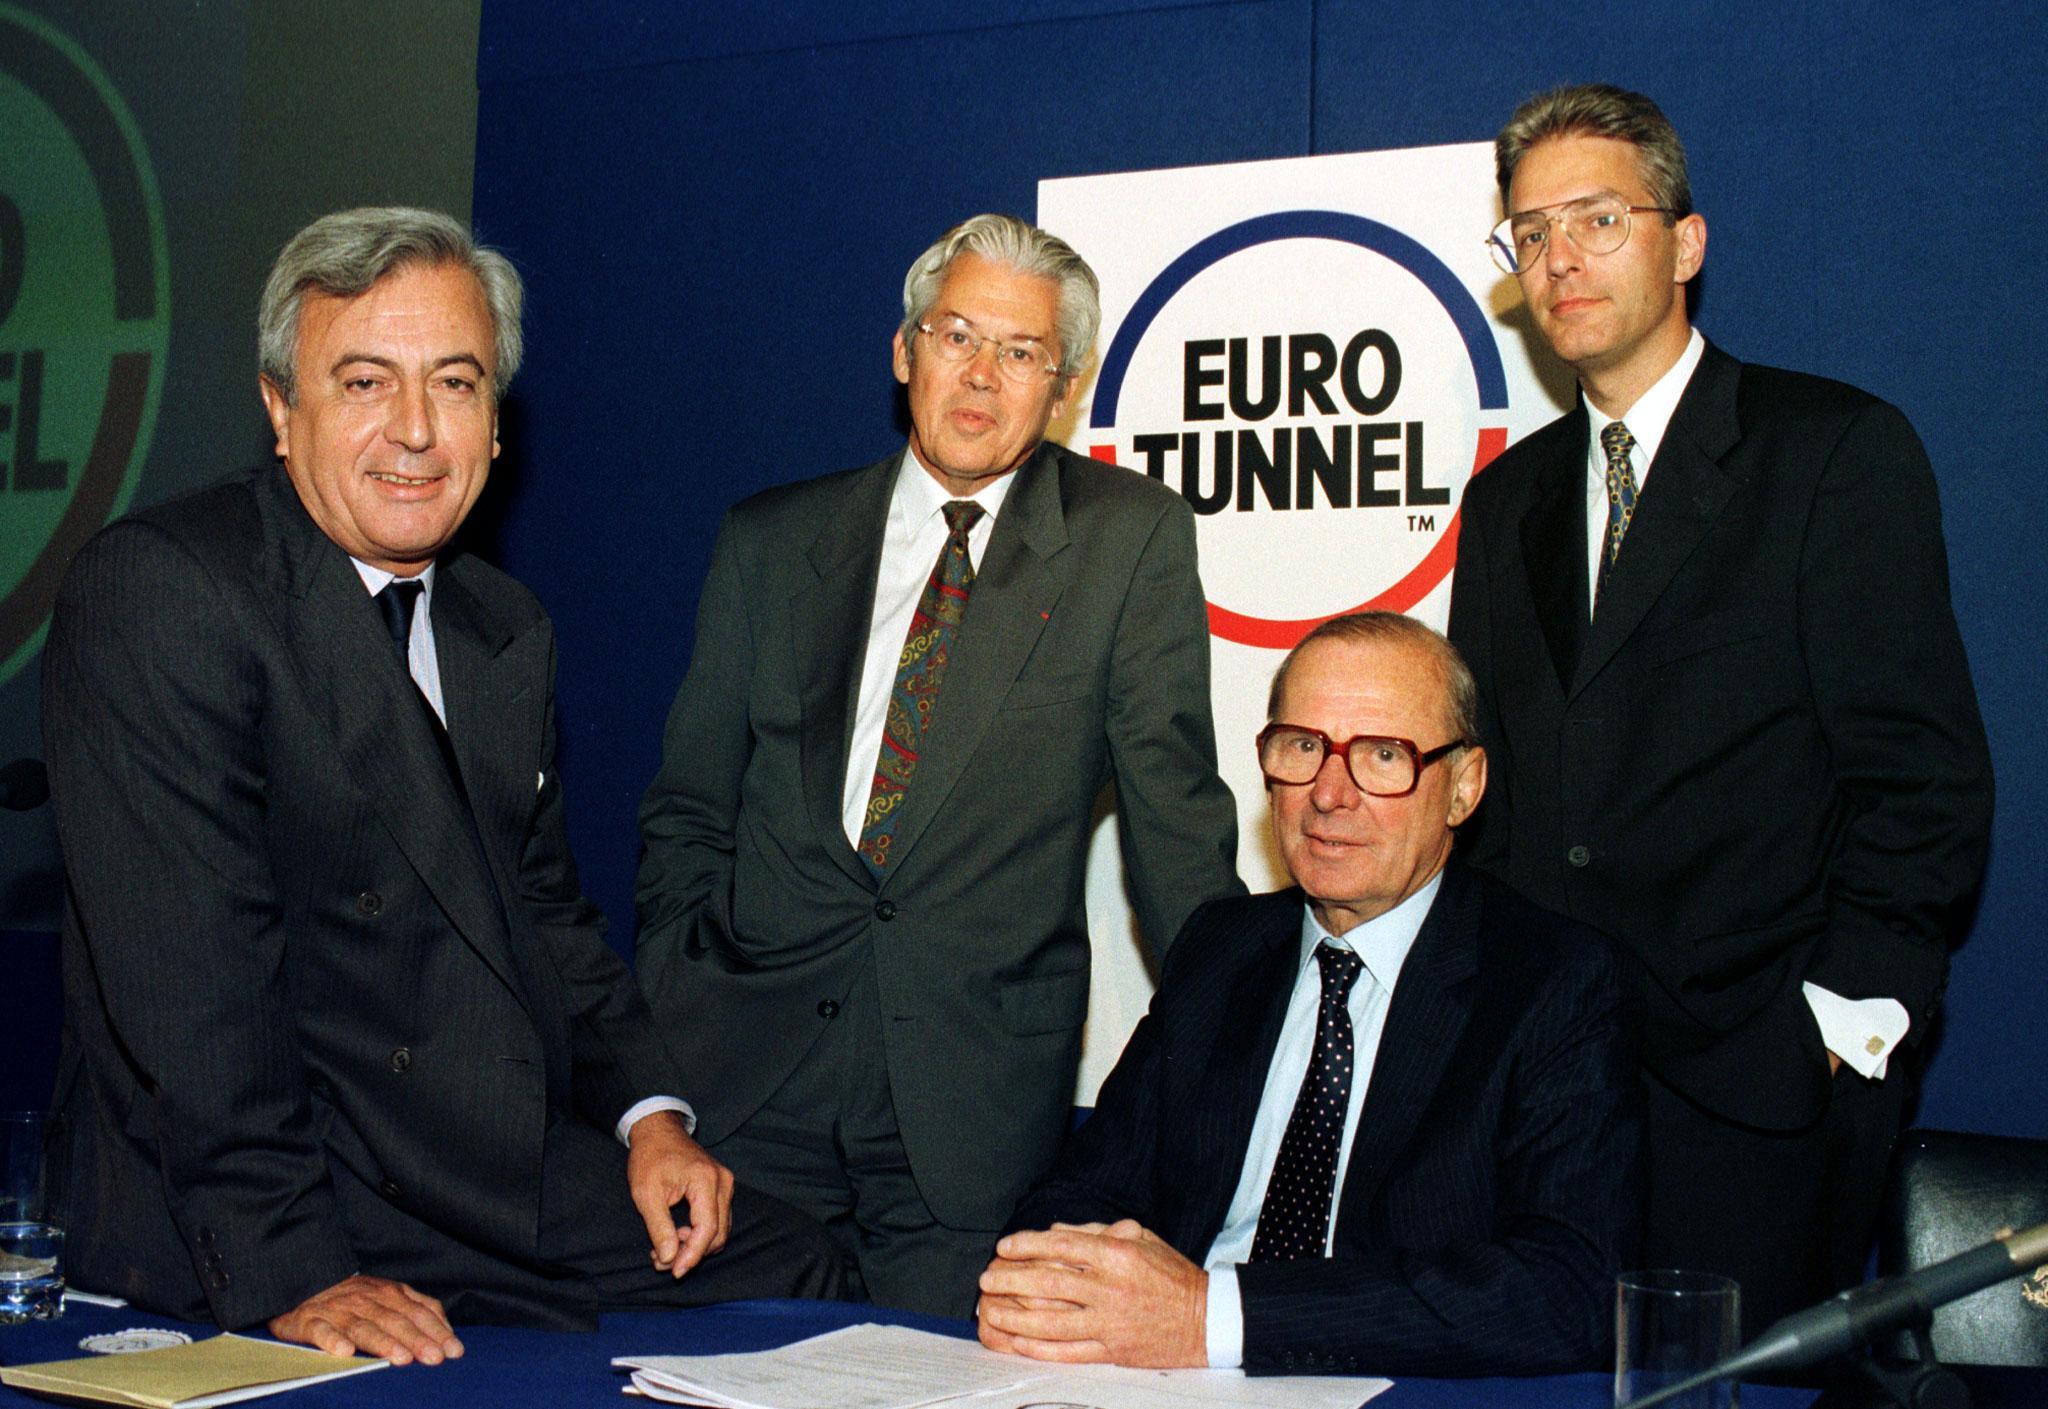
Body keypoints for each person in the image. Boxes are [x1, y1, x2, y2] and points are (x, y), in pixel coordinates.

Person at [40, 207, 842, 1365]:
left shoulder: (499, 623)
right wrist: (296, 1269)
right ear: (281, 408)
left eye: (455, 384)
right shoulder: (168, 592)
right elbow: (194, 997)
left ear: (496, 423)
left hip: (473, 1162)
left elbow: (548, 918)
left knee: (798, 1274)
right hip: (273, 1186)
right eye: (364, 381)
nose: (415, 431)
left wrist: (650, 1119)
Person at [1449, 84, 1995, 1334]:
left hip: (1758, 1093)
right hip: (1544, 1090)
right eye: (1529, 233)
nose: (1558, 259)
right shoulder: (1506, 501)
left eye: (1595, 220)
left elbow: (1922, 782)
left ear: (1684, 243)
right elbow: (1490, 790)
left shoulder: (1828, 452)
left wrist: (1840, 1030)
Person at [635, 213, 1243, 1318]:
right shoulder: (771, 541)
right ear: (904, 349)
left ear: (1064, 386)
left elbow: (1175, 830)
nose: (980, 373)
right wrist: (673, 1053)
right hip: (746, 1089)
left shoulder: (1127, 539)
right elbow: (687, 814)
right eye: (956, 333)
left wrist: (1243, 1051)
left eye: (1020, 351)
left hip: (967, 1108)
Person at [979, 613, 1640, 1376]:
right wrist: (1060, 1282)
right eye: (1302, 746)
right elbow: (1079, 1193)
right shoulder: (1223, 949)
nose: (1329, 794)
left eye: (1383, 756)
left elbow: (1568, 1292)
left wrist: (1211, 1316)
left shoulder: (1554, 980)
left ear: (1463, 788)